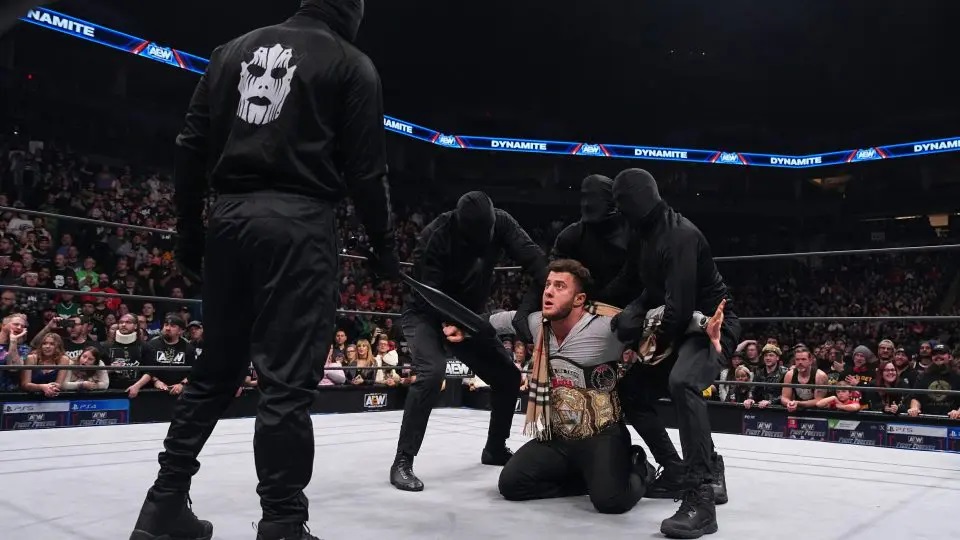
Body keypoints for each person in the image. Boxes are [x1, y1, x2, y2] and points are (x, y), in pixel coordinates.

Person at [130, 2, 400, 540]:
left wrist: (189, 231)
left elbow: (190, 147)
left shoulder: (229, 52)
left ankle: (162, 505)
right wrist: (384, 244)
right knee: (286, 382)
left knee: (215, 370)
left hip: (229, 221)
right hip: (299, 226)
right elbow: (367, 170)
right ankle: (282, 523)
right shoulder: (351, 63)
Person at [483, 259, 713, 514]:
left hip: (602, 435)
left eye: (560, 286)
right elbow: (498, 320)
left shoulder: (605, 327)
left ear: (579, 299)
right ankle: (585, 480)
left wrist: (704, 323)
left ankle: (639, 468)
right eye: (548, 285)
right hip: (558, 437)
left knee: (610, 502)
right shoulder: (538, 324)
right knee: (512, 484)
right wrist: (461, 324)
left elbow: (655, 319)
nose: (548, 291)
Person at [610, 168, 741, 539]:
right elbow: (640, 286)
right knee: (631, 391)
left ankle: (700, 498)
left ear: (631, 203)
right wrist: (610, 308)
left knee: (683, 381)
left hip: (711, 327)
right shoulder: (643, 234)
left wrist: (642, 344)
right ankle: (677, 469)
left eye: (621, 205)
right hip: (677, 326)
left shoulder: (679, 235)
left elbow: (679, 311)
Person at [390, 191, 548, 492]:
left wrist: (529, 307)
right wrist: (460, 324)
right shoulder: (435, 235)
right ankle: (402, 461)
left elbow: (537, 262)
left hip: (468, 316)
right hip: (425, 313)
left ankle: (495, 448)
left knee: (508, 376)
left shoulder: (502, 223)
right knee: (431, 372)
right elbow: (430, 294)